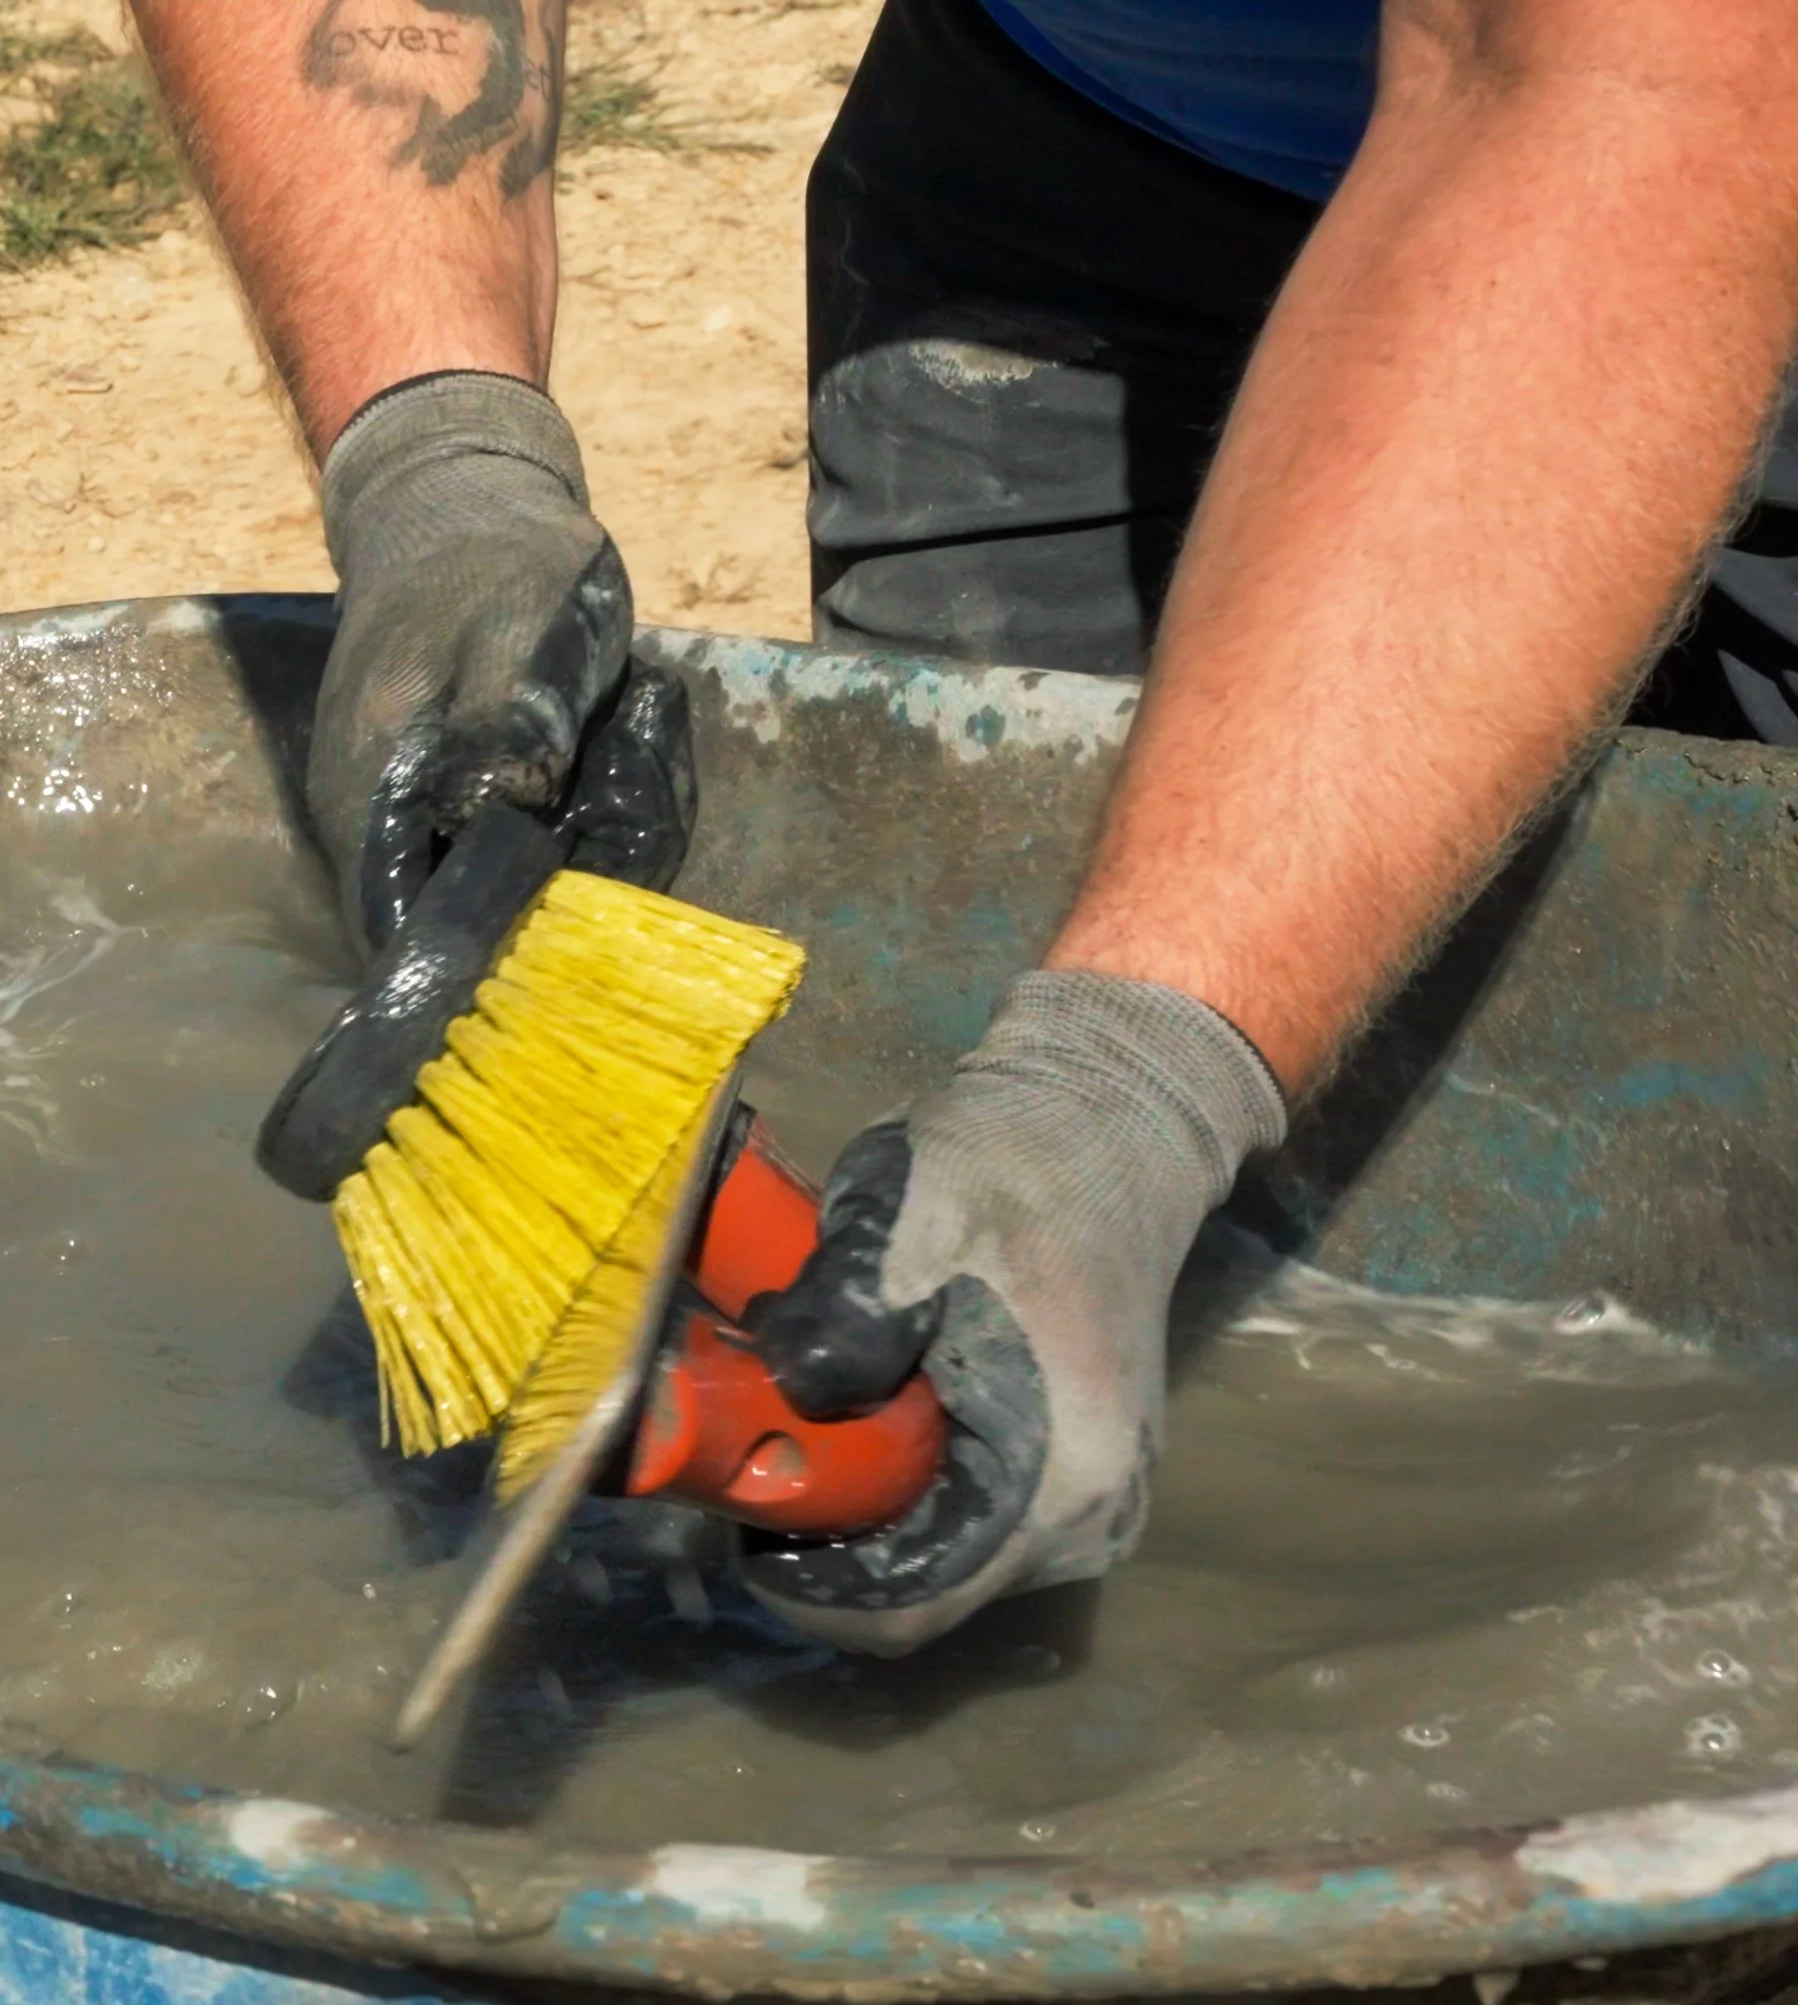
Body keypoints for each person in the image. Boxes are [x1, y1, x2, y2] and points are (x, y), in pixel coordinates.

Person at [127, 0, 1798, 1650]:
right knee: (991, 1253)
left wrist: (1128, 1079)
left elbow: (1646, 79)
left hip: (1668, 160)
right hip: (1089, 144)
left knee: (1694, 1315)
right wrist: (443, 464)